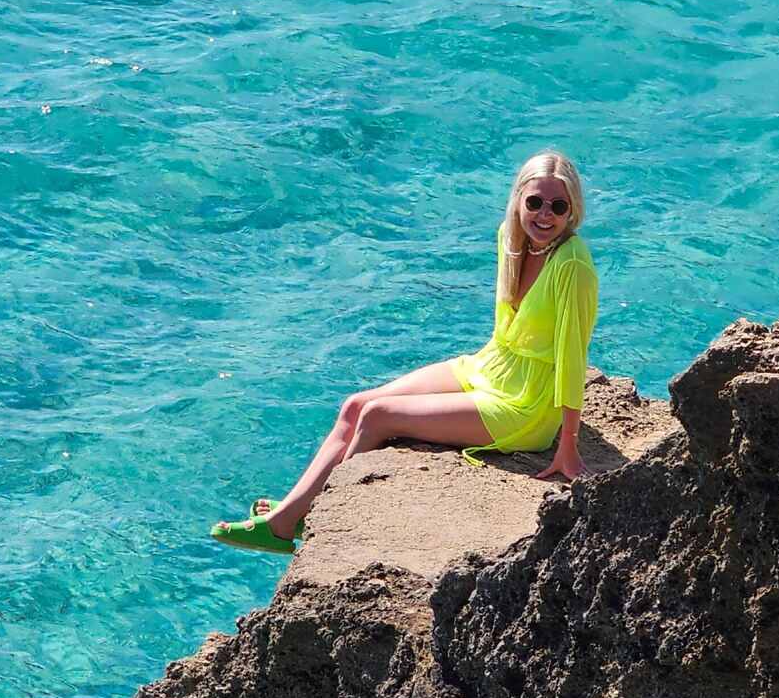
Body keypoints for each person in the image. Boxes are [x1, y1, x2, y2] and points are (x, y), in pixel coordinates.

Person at [209, 149, 600, 555]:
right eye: (535, 202)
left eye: (558, 206)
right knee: (356, 405)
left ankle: (294, 520)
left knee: (379, 417)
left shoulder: (573, 266)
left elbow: (574, 355)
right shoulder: (511, 239)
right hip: (490, 365)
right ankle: (297, 507)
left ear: (572, 212)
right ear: (519, 198)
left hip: (525, 403)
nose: (544, 215)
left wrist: (566, 442)